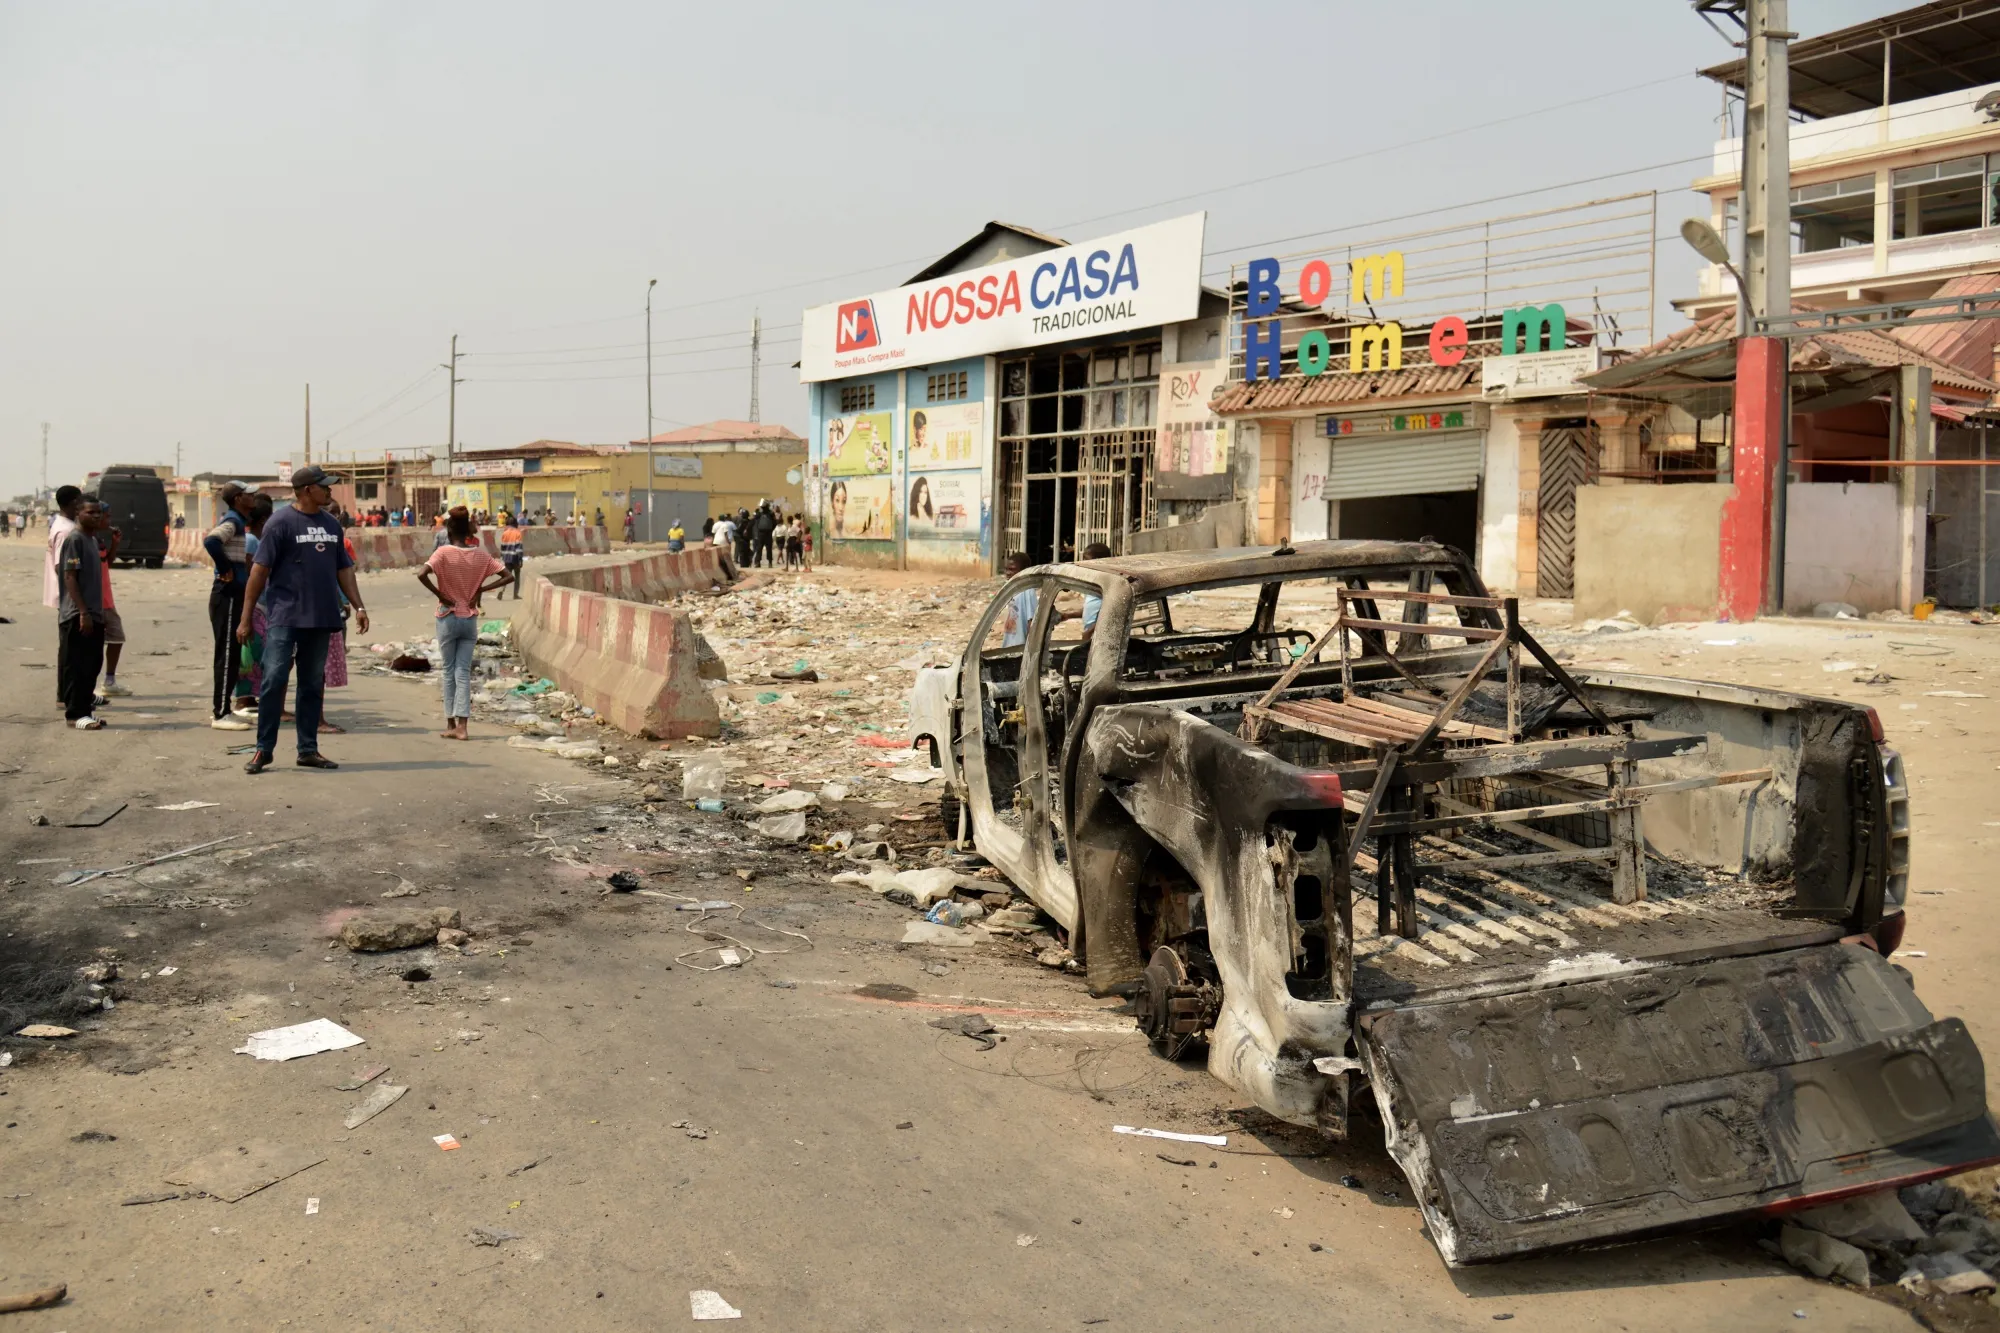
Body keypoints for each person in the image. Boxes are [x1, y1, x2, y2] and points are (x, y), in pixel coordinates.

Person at [237, 466, 370, 775]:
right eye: (325, 486)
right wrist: (245, 618)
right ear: (307, 490)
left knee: (311, 684)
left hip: (321, 617)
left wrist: (358, 606)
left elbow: (344, 569)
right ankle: (263, 750)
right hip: (284, 616)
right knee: (274, 680)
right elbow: (259, 572)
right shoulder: (280, 523)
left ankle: (307, 750)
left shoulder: (331, 525)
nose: (330, 491)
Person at [418, 508, 510, 741]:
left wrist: (441, 594)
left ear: (449, 530)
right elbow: (508, 576)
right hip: (469, 618)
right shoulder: (480, 556)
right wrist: (481, 589)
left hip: (447, 616)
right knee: (463, 673)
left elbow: (422, 574)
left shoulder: (442, 553)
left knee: (449, 671)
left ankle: (450, 723)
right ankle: (463, 727)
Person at [204, 482, 256, 730]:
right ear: (238, 498)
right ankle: (220, 712)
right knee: (226, 654)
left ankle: (224, 708)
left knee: (232, 654)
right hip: (228, 594)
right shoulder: (233, 521)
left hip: (233, 593)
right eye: (249, 494)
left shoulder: (238, 520)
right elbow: (211, 541)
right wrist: (225, 569)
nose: (253, 497)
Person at [57, 497, 110, 730]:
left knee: (93, 664)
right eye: (91, 512)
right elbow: (70, 576)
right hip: (78, 614)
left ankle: (85, 711)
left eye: (99, 512)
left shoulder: (91, 539)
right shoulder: (74, 540)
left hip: (94, 613)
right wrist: (83, 612)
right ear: (78, 513)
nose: (96, 516)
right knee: (77, 666)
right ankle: (75, 714)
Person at [43, 485, 83, 709]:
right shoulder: (66, 531)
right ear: (70, 503)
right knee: (70, 650)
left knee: (71, 649)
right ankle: (66, 695)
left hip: (69, 597)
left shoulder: (64, 526)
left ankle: (69, 693)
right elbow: (64, 567)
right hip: (69, 598)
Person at [94, 510, 129, 697]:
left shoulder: (98, 540)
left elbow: (107, 562)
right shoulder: (85, 541)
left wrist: (114, 544)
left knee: (116, 638)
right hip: (95, 602)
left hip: (106, 600)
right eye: (106, 517)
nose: (109, 521)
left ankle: (109, 680)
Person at [1000, 551, 1036, 648]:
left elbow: (1031, 621)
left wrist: (1029, 649)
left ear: (1024, 570)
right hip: (1009, 645)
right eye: (1006, 569)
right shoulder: (1013, 589)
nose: (1007, 573)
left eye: (1012, 569)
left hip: (1020, 646)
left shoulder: (1028, 590)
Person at [499, 517, 525, 598]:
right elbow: (519, 548)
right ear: (515, 523)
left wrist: (503, 557)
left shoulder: (504, 533)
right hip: (515, 558)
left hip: (507, 558)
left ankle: (501, 590)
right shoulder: (518, 533)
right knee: (517, 577)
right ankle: (515, 594)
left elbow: (502, 547)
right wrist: (520, 559)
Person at [750, 503, 776, 567]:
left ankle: (770, 562)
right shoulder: (759, 513)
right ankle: (758, 562)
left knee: (769, 548)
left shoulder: (771, 514)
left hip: (768, 533)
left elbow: (774, 523)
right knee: (759, 548)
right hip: (761, 533)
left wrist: (771, 529)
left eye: (764, 507)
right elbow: (754, 518)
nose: (763, 508)